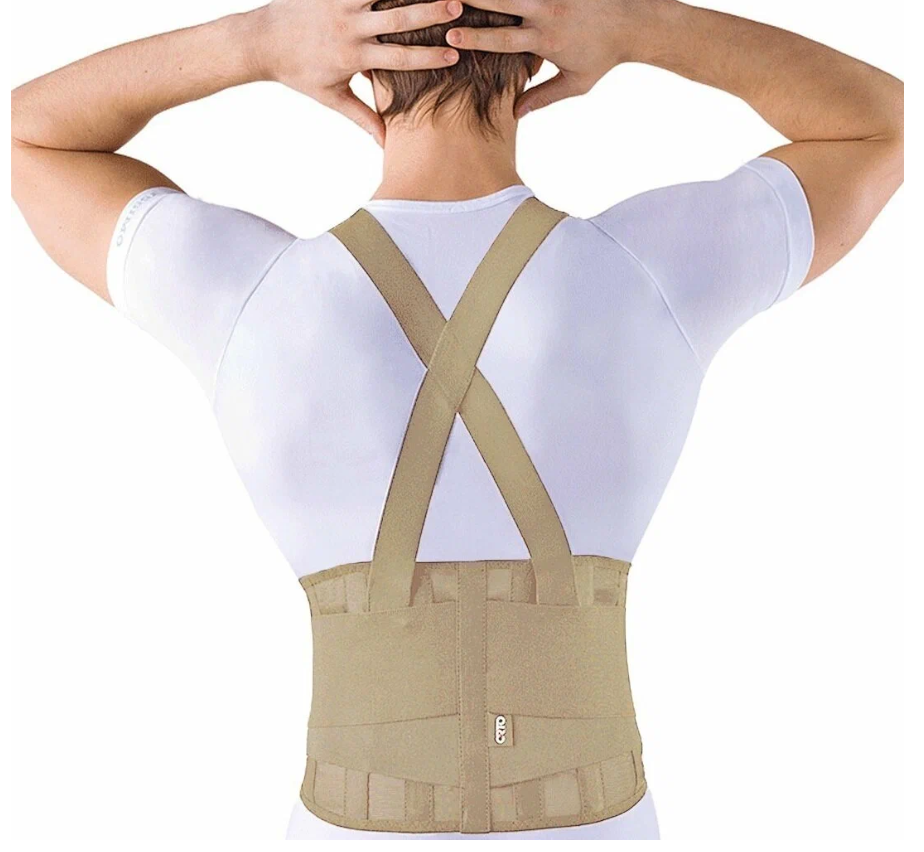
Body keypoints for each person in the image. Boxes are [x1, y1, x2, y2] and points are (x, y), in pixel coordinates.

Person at [11, 0, 903, 840]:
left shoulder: (248, 294)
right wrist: (636, 25)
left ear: (361, 58)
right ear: (533, 50)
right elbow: (881, 124)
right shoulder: (654, 272)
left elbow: (30, 135)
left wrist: (260, 41)